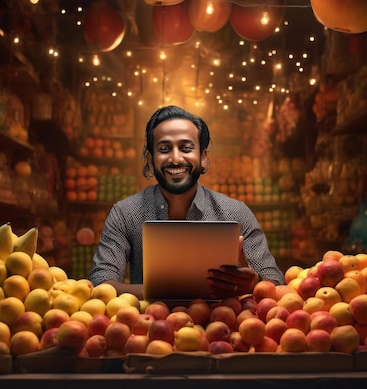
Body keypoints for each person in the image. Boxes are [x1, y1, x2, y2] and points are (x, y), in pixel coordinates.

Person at [88, 105, 284, 299]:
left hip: (223, 325)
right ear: (150, 159)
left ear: (204, 157)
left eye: (186, 148)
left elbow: (276, 282)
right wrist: (181, 292)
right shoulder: (126, 213)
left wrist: (253, 283)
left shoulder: (235, 213)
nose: (175, 158)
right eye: (164, 149)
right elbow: (101, 284)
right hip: (149, 328)